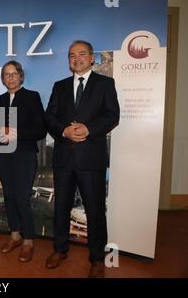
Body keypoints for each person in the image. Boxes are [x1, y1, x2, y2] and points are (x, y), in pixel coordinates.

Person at [45, 40, 120, 278]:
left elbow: (112, 115)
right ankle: (60, 249)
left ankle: (97, 258)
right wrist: (64, 131)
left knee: (95, 209)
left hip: (91, 159)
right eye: (71, 55)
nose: (76, 58)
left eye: (81, 54)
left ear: (91, 58)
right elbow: (50, 117)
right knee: (61, 207)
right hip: (64, 157)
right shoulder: (60, 86)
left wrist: (89, 129)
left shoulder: (105, 84)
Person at [0, 60, 47, 262]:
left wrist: (16, 133)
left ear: (20, 76)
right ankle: (14, 235)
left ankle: (28, 241)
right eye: (6, 74)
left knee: (22, 197)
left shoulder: (32, 97)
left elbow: (41, 129)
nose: (10, 77)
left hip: (24, 154)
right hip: (3, 154)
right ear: (3, 78)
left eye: (14, 73)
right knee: (9, 196)